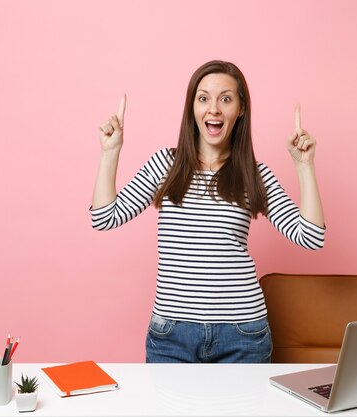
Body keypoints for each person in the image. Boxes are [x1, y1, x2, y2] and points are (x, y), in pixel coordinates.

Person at [90, 60, 325, 363]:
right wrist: (110, 152)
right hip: (171, 335)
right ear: (192, 108)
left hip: (243, 334)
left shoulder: (254, 174)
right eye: (203, 98)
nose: (213, 108)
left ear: (240, 109)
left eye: (225, 99)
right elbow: (104, 217)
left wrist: (304, 166)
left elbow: (311, 236)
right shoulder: (166, 165)